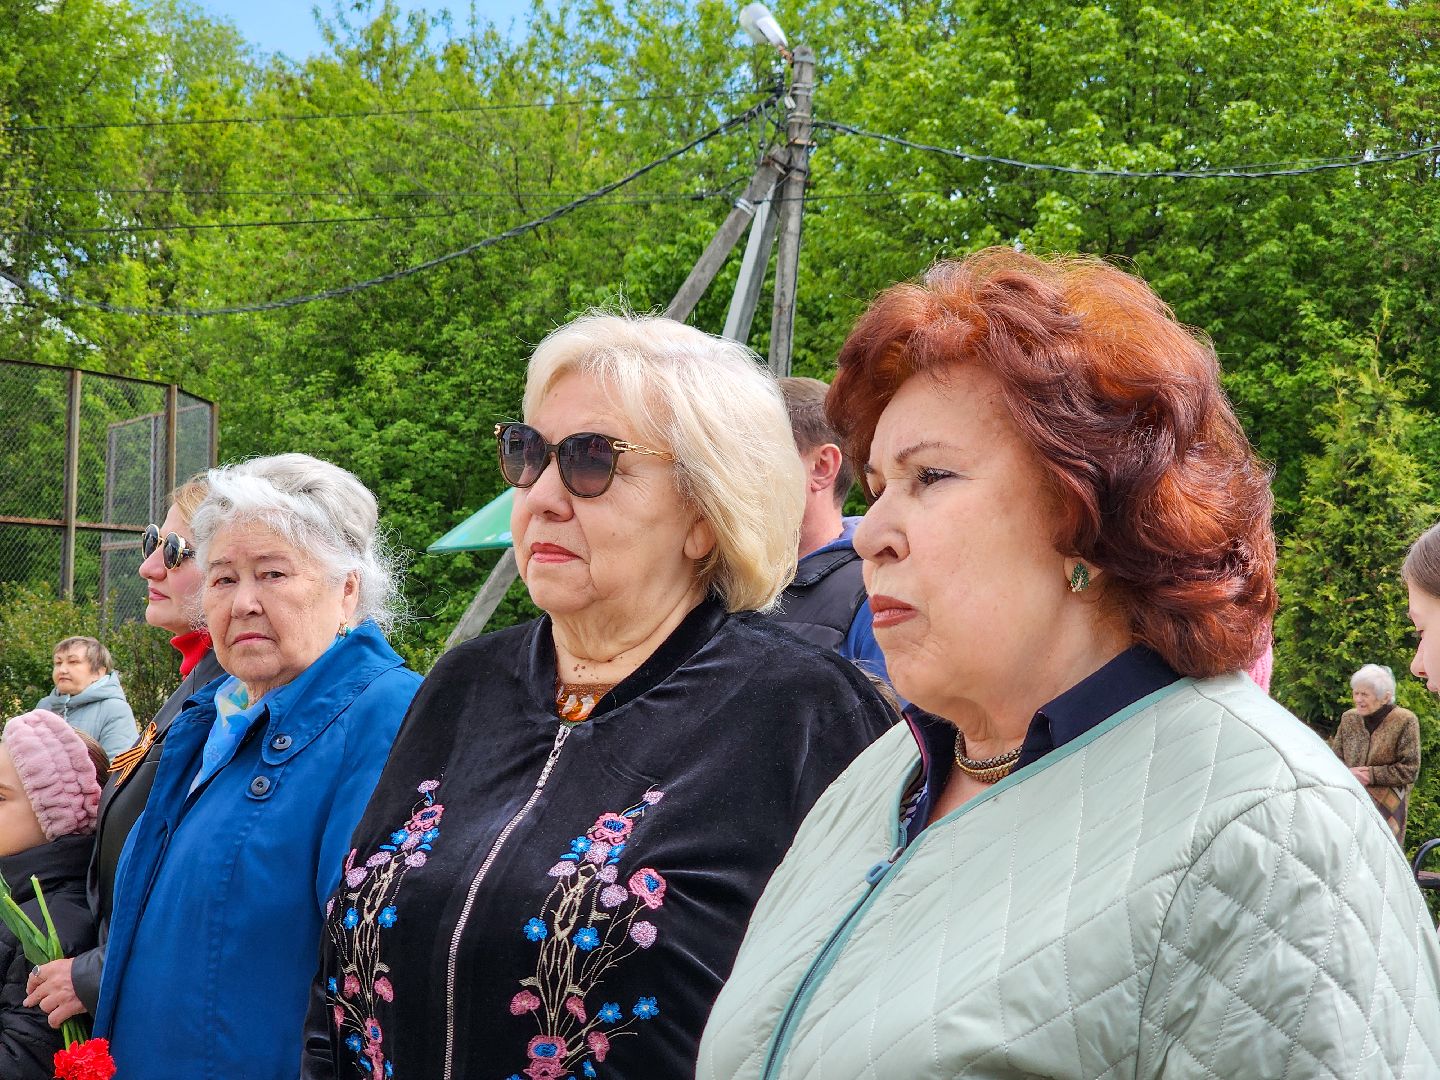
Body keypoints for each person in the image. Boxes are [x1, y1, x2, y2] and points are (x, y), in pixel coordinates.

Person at [698, 250, 1440, 1079]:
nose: (871, 534)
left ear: (1090, 515)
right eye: (876, 487)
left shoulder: (1270, 833)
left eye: (930, 476)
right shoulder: (881, 777)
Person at [303, 314, 895, 1080]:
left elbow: (860, 1022)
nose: (541, 497)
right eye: (528, 453)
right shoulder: (463, 684)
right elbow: (334, 999)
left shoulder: (804, 711)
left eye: (591, 460)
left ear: (704, 515)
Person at [91, 453, 422, 1079]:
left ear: (347, 588)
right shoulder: (215, 715)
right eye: (222, 579)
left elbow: (372, 983)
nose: (243, 602)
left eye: (272, 573)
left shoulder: (388, 720)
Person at [25, 475, 225, 1028]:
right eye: (152, 541)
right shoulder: (201, 680)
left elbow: (206, 880)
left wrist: (98, 971)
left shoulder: (230, 692)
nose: (149, 567)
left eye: (176, 551)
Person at [0, 710, 106, 1079]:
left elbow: (23, 1058)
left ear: (56, 813)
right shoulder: (17, 896)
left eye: (0, 797)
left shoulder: (56, 926)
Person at [765, 376, 886, 679]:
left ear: (822, 467)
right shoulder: (719, 582)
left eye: (755, 455)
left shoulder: (877, 593)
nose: (731, 475)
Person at [1330, 663, 1420, 844]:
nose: (1358, 699)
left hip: (1388, 805)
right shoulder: (1349, 718)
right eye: (1356, 693)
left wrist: (1371, 775)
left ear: (1385, 697)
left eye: (1365, 694)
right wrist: (1347, 774)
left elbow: (1410, 770)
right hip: (1351, 799)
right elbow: (1334, 759)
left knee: (1380, 851)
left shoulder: (1405, 720)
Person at [35, 638, 135, 759]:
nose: (62, 670)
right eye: (58, 662)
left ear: (98, 672)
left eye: (73, 662)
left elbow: (119, 765)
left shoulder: (115, 709)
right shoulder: (44, 706)